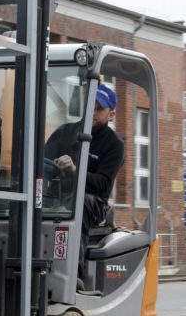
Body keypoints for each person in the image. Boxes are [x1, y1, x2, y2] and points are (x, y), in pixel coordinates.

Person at [44, 84, 125, 244]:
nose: (93, 112)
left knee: (79, 203)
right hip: (57, 198)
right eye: (90, 106)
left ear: (111, 114)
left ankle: (75, 267)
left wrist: (75, 170)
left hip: (93, 203)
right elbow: (42, 163)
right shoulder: (65, 132)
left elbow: (103, 184)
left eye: (99, 108)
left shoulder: (114, 144)